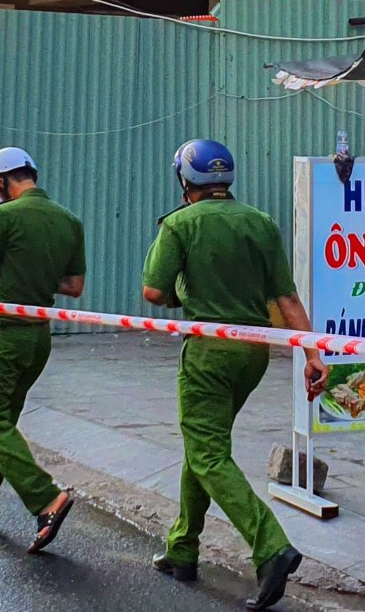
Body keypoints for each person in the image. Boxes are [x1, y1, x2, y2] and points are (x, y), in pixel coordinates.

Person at [143, 139, 324, 612]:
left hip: (208, 354)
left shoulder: (179, 224)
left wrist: (184, 288)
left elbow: (153, 292)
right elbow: (287, 300)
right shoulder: (260, 223)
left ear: (185, 180)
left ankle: (271, 548)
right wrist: (313, 355)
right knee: (205, 446)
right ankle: (183, 547)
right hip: (254, 354)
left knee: (207, 453)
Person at [0, 147, 83, 553]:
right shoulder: (69, 221)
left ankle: (45, 497)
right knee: (3, 423)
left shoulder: (3, 216)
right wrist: (35, 274)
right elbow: (73, 287)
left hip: (4, 336)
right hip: (38, 339)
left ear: (0, 182)